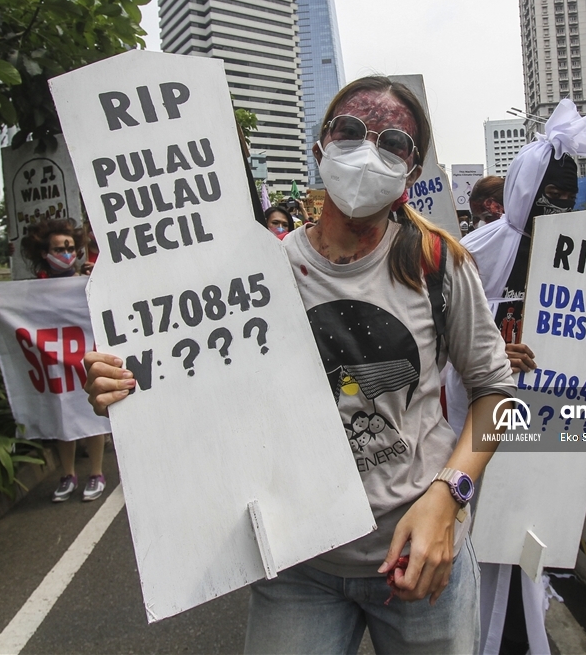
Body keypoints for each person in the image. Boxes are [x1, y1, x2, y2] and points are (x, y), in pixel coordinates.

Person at [83, 76, 516, 653]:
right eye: (351, 132)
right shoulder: (257, 273)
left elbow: (497, 397)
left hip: (420, 551)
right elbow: (204, 383)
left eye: (394, 144)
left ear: (413, 173)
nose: (368, 152)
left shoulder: (439, 263)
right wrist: (133, 385)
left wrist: (449, 494)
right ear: (320, 148)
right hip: (296, 564)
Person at [447, 97, 586, 655]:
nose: (559, 205)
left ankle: (525, 632)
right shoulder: (476, 252)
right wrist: (488, 358)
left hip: (547, 417)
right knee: (486, 528)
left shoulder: (582, 250)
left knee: (534, 524)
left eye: (568, 196)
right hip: (483, 415)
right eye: (549, 195)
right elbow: (440, 335)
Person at [20, 218, 108, 502]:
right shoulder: (35, 290)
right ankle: (67, 475)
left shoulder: (86, 280)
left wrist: (98, 278)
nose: (67, 254)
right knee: (63, 416)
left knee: (88, 415)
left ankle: (96, 473)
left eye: (70, 247)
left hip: (81, 359)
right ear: (45, 254)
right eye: (59, 249)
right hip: (55, 364)